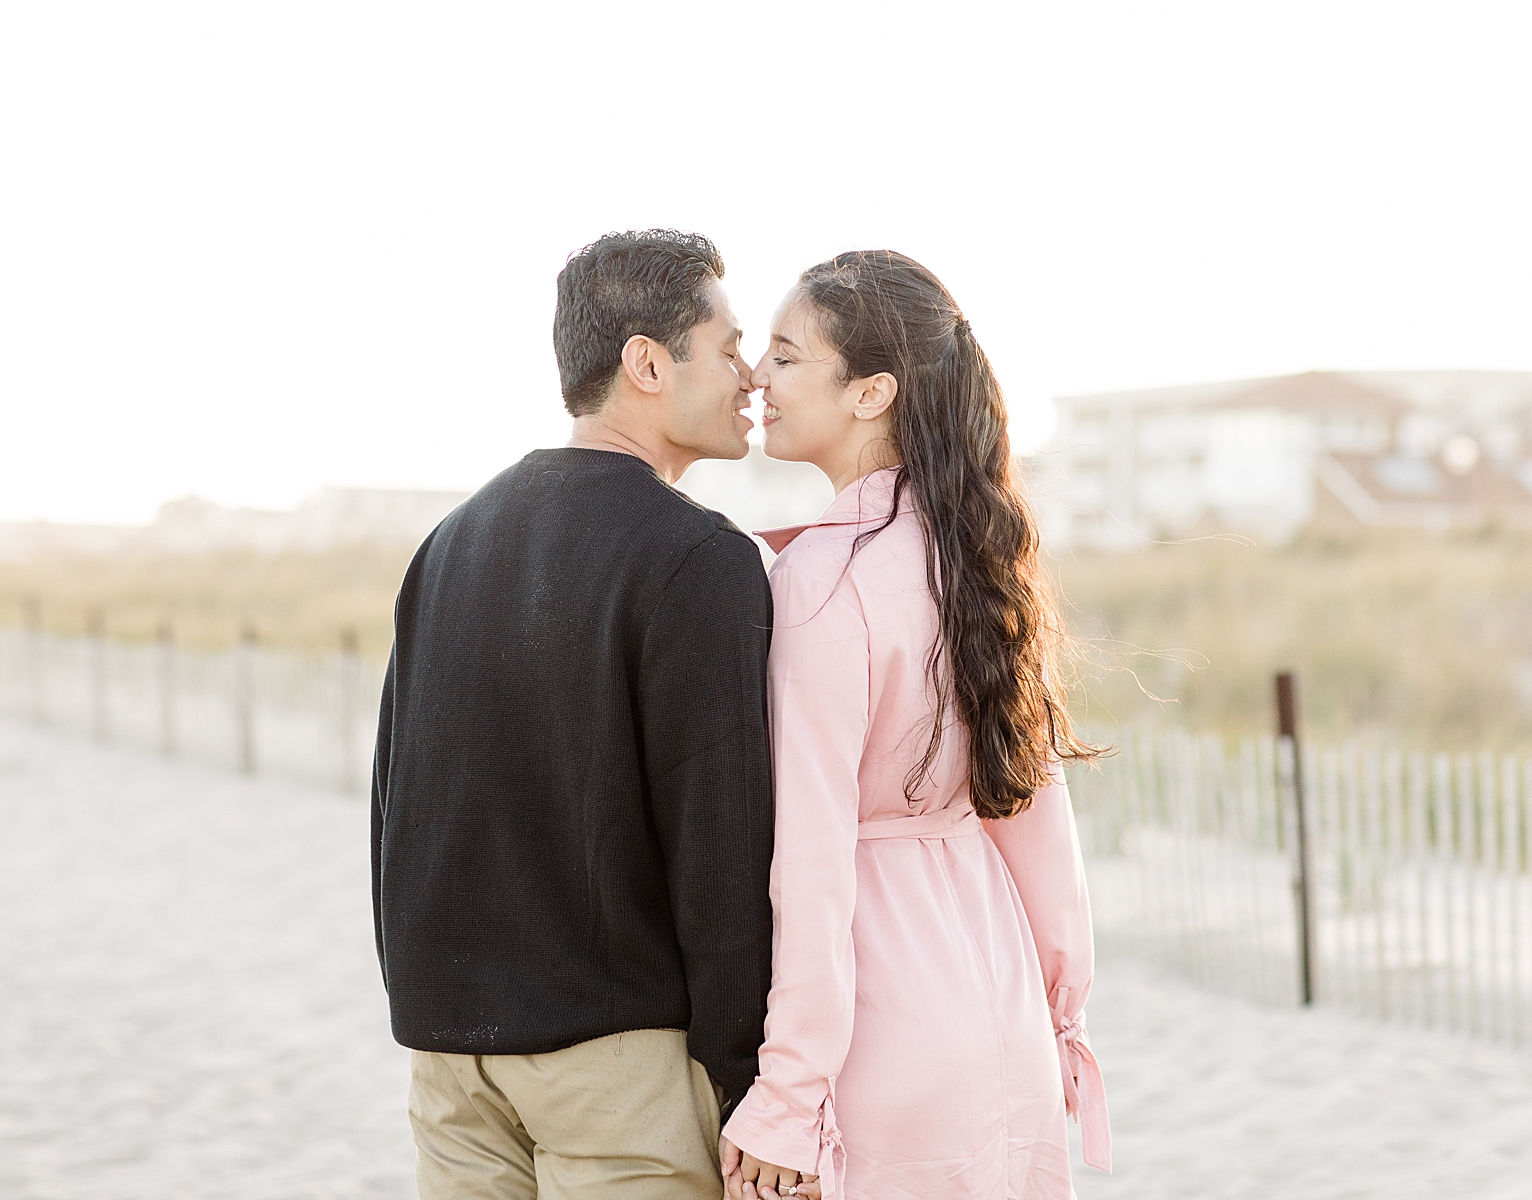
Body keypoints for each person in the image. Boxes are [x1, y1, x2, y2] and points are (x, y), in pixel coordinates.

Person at [372, 229, 776, 1200]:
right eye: (727, 347)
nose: (752, 373)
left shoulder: (452, 539)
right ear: (647, 362)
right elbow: (720, 847)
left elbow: (396, 800)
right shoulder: (697, 557)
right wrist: (749, 1083)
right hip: (617, 1065)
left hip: (449, 1056)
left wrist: (426, 1008)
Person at [720, 250, 1112, 1200]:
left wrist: (787, 1095)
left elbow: (810, 863)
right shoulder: (979, 554)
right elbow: (1032, 807)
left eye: (785, 356)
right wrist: (1061, 1010)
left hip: (881, 1018)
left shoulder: (822, 584)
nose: (754, 380)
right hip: (1005, 1001)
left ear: (872, 392)